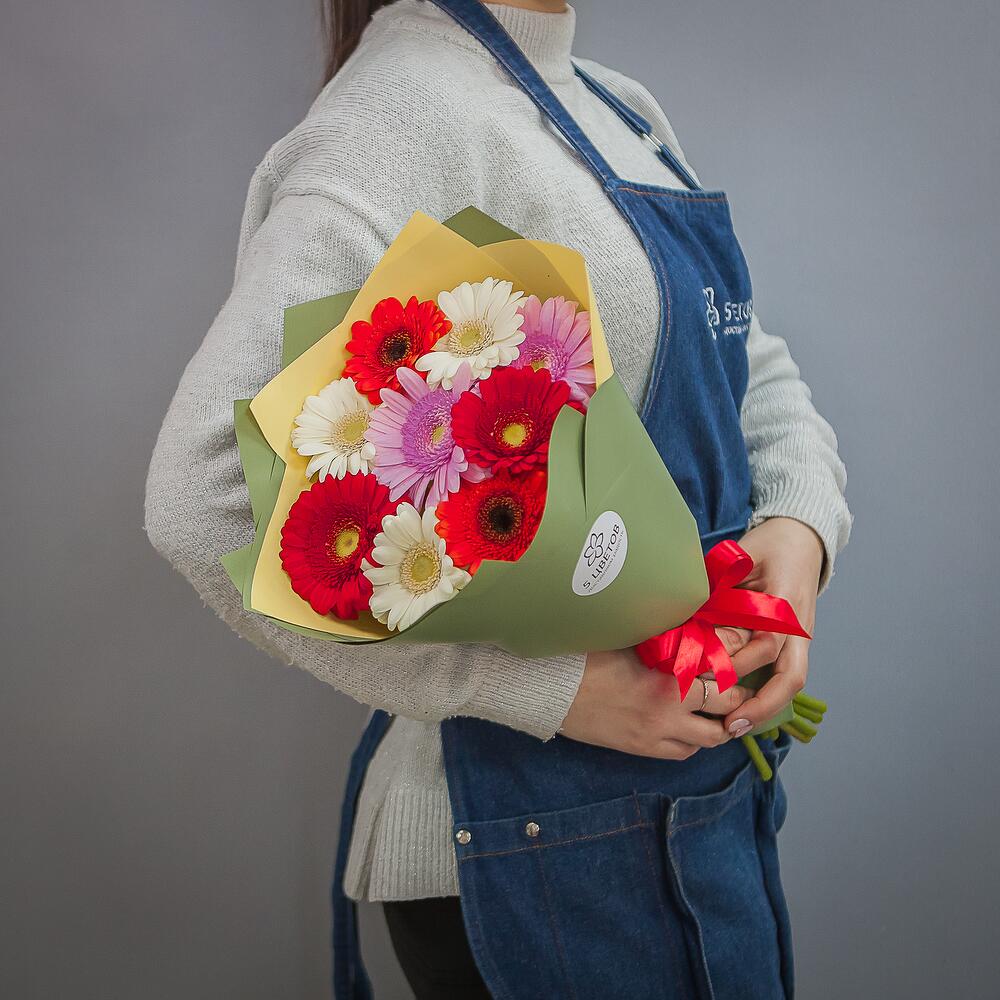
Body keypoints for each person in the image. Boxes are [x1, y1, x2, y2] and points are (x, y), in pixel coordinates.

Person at [145, 1, 853, 996]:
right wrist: (550, 691)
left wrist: (798, 525)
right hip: (527, 849)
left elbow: (749, 359)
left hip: (696, 813)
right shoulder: (397, 117)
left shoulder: (616, 107)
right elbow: (200, 494)